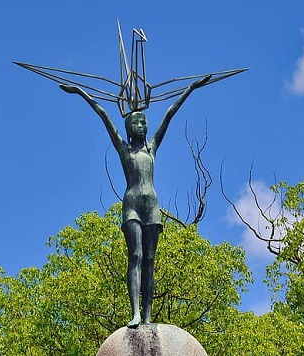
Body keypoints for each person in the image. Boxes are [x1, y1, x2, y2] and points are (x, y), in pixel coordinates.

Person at [59, 75, 210, 328]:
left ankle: (149, 316)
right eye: (136, 122)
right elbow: (103, 114)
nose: (141, 125)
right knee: (136, 256)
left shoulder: (151, 149)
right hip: (131, 205)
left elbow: (170, 114)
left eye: (143, 122)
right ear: (129, 127)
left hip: (152, 206)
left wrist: (191, 89)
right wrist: (80, 92)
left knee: (150, 260)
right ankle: (136, 312)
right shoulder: (123, 149)